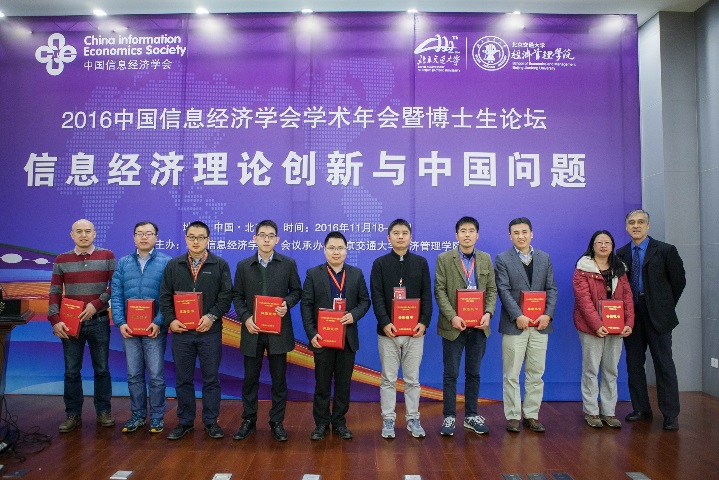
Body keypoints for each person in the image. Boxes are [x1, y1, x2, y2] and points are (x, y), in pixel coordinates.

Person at [159, 221, 233, 440]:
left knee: (211, 379)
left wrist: (211, 317)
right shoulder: (174, 265)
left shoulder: (219, 265)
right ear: (186, 239)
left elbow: (226, 297)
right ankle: (185, 422)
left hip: (209, 332)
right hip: (181, 333)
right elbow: (164, 297)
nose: (196, 241)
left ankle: (211, 422)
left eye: (201, 237)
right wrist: (171, 321)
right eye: (192, 237)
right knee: (183, 379)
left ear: (208, 239)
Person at [232, 220, 302, 442]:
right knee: (250, 379)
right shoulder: (244, 266)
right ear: (255, 238)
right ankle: (249, 420)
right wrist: (245, 317)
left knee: (278, 380)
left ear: (277, 240)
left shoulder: (288, 264)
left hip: (278, 332)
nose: (266, 239)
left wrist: (286, 304)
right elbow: (237, 296)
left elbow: (297, 291)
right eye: (262, 235)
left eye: (271, 236)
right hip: (252, 331)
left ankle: (277, 422)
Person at [616, 209, 686, 431]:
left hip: (659, 315)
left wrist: (663, 305)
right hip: (632, 315)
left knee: (663, 364)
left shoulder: (665, 250)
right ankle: (641, 409)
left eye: (640, 222)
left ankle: (670, 414)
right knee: (634, 362)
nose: (636, 226)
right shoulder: (621, 253)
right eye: (631, 222)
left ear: (647, 225)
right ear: (626, 227)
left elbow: (679, 282)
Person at [48, 219, 116, 433]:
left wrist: (97, 304)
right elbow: (54, 292)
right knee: (71, 371)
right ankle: (72, 414)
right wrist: (55, 319)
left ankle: (103, 411)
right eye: (79, 231)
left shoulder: (107, 256)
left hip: (99, 321)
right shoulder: (62, 259)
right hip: (70, 324)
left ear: (95, 234)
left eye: (88, 231)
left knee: (102, 369)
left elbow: (116, 286)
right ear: (72, 235)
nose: (84, 235)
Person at [301, 231, 371, 440]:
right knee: (322, 384)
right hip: (322, 339)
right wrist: (311, 333)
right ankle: (321, 424)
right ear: (324, 250)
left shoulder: (356, 274)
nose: (336, 252)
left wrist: (353, 315)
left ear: (346, 251)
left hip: (346, 339)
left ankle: (339, 422)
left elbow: (365, 301)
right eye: (331, 248)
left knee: (343, 384)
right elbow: (306, 305)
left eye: (340, 248)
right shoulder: (313, 274)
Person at [370, 218, 432, 439]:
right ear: (389, 237)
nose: (400, 237)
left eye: (404, 233)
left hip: (415, 332)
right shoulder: (380, 264)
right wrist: (385, 322)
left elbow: (427, 295)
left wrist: (423, 322)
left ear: (410, 237)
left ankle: (413, 418)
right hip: (388, 332)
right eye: (396, 233)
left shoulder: (421, 263)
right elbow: (376, 296)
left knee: (412, 379)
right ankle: (388, 419)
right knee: (388, 378)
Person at [435, 216, 497, 436]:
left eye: (471, 231)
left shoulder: (486, 259)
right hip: (453, 326)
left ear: (477, 235)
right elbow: (439, 291)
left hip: (479, 326)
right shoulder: (444, 259)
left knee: (474, 373)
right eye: (463, 231)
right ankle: (449, 417)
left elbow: (492, 290)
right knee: (450, 374)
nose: (467, 234)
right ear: (457, 235)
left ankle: (471, 415)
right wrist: (452, 316)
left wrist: (488, 313)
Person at [495, 217, 558, 433]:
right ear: (510, 236)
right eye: (516, 233)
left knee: (536, 372)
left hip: (540, 325)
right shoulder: (503, 259)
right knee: (511, 373)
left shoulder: (544, 258)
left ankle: (531, 415)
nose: (520, 236)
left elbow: (551, 289)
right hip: (515, 325)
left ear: (532, 234)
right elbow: (503, 290)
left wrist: (548, 314)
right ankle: (513, 416)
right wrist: (518, 315)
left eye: (524, 232)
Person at [111, 221, 171, 434]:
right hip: (129, 329)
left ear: (156, 237)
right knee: (134, 375)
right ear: (134, 237)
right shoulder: (123, 263)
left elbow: (168, 296)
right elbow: (116, 295)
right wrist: (121, 322)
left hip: (155, 329)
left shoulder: (166, 263)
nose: (144, 237)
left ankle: (157, 417)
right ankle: (137, 415)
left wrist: (159, 321)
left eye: (149, 233)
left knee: (156, 376)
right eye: (140, 233)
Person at [572, 230, 634, 429]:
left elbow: (627, 298)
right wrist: (597, 325)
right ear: (593, 245)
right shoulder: (583, 268)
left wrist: (629, 323)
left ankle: (609, 411)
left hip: (616, 328)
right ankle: (591, 411)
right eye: (599, 242)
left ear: (612, 246)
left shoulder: (620, 269)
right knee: (590, 370)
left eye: (607, 242)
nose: (603, 246)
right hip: (591, 328)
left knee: (611, 370)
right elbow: (584, 301)